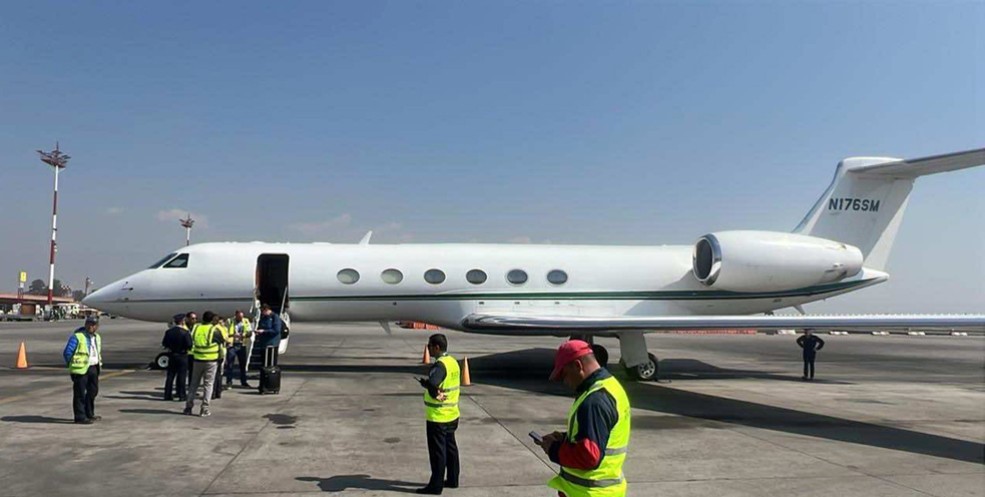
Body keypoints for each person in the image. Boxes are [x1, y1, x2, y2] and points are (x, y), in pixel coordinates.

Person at [537, 340, 631, 497]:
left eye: (564, 375)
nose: (565, 381)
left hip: (588, 493)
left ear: (577, 366)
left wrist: (553, 449)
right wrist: (566, 439)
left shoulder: (594, 401)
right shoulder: (611, 386)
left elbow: (589, 457)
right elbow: (603, 436)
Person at [415, 334, 461, 495]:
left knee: (437, 452)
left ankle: (435, 485)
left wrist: (431, 389)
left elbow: (434, 384)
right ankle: (453, 479)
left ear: (437, 347)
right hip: (452, 414)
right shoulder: (453, 362)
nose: (428, 349)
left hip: (438, 416)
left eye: (429, 346)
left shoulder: (440, 366)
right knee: (451, 448)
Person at [184, 311, 226, 417]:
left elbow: (191, 342)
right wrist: (221, 357)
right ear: (212, 320)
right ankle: (204, 409)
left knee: (193, 385)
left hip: (197, 359)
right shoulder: (214, 330)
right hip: (211, 361)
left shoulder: (196, 328)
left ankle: (188, 407)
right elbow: (222, 343)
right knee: (208, 385)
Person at [63, 316, 103, 424]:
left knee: (93, 391)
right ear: (85, 324)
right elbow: (67, 353)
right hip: (80, 369)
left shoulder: (97, 337)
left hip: (93, 367)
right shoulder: (77, 336)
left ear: (97, 326)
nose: (91, 326)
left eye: (93, 324)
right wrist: (72, 365)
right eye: (89, 324)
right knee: (79, 393)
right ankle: (80, 416)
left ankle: (89, 413)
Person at [162, 312, 193, 401]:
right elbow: (189, 344)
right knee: (182, 376)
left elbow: (164, 343)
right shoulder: (185, 332)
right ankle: (181, 395)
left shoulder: (169, 332)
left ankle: (167, 395)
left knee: (170, 376)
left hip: (172, 355)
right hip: (182, 355)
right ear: (182, 321)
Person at [225, 310, 252, 388]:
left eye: (242, 317)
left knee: (243, 364)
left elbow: (249, 332)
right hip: (232, 345)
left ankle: (244, 381)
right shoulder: (229, 321)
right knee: (230, 364)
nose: (241, 319)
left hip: (241, 345)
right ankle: (229, 382)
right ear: (235, 316)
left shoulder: (245, 321)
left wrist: (244, 335)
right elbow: (225, 332)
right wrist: (233, 335)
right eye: (239, 317)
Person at [211, 314, 230, 400]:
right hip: (222, 352)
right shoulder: (223, 329)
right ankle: (218, 392)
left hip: (214, 353)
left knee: (213, 375)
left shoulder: (214, 328)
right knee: (219, 373)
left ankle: (213, 393)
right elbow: (226, 340)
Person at [184, 311, 199, 388]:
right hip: (184, 353)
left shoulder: (197, 327)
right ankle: (181, 390)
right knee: (182, 373)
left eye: (196, 318)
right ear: (187, 319)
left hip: (194, 353)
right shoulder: (183, 327)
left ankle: (191, 388)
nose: (194, 320)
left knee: (193, 373)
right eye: (192, 318)